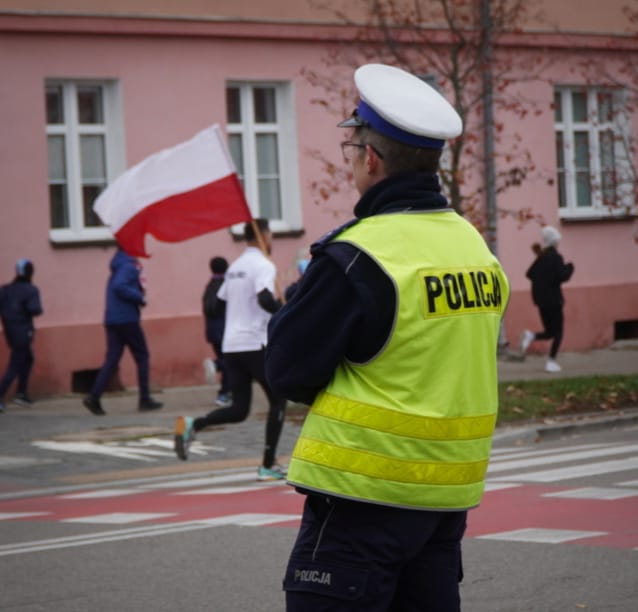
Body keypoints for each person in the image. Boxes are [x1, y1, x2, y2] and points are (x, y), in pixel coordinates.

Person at [265, 63, 510, 611]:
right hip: (444, 502)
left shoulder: (359, 254)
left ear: (370, 158)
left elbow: (287, 370)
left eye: (351, 148)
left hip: (362, 498)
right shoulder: (474, 247)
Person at [173, 219, 288, 481]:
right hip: (254, 343)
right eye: (270, 235)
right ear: (264, 235)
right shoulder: (264, 265)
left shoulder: (235, 267)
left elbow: (216, 305)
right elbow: (264, 299)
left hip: (231, 345)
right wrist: (287, 314)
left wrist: (238, 315)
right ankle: (268, 465)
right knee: (279, 400)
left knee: (239, 409)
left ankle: (195, 424)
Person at [82, 248, 163, 415]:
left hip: (112, 319)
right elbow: (120, 286)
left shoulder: (118, 263)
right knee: (142, 356)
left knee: (112, 359)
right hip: (127, 319)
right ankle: (145, 399)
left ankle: (94, 397)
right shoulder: (128, 265)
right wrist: (139, 297)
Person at [519, 225, 574, 372]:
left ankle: (531, 336)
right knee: (558, 332)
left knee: (550, 332)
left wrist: (543, 278)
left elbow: (529, 274)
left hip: (541, 302)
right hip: (554, 301)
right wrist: (570, 267)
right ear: (554, 242)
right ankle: (551, 361)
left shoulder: (542, 258)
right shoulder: (556, 257)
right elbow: (563, 276)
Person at [0, 259, 43, 411]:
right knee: (16, 363)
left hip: (9, 331)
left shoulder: (5, 289)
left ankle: (21, 392)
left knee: (28, 358)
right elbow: (36, 309)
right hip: (23, 331)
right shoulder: (30, 290)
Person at [202, 255, 231, 407]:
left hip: (212, 332)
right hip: (223, 331)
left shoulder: (210, 285)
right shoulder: (225, 285)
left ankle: (227, 392)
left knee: (228, 361)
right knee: (228, 362)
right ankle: (224, 393)